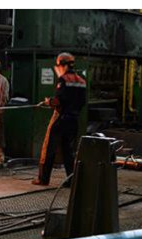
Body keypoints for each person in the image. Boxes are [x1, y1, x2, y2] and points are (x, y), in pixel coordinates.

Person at [33, 52, 87, 186]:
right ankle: (71, 180)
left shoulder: (64, 79)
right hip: (73, 121)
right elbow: (82, 102)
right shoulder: (81, 81)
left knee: (49, 149)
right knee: (68, 151)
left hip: (61, 119)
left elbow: (59, 100)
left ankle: (43, 179)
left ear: (63, 65)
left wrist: (48, 102)